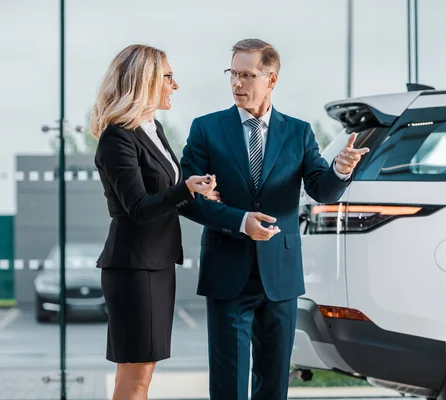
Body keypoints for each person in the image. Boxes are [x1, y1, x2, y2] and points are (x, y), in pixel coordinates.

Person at [181, 38, 369, 400]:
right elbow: (187, 199)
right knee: (228, 385)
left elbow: (321, 190)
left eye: (247, 75)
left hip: (279, 274)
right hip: (227, 269)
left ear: (272, 79)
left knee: (273, 383)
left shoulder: (298, 132)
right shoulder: (205, 129)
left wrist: (341, 171)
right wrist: (240, 221)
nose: (237, 84)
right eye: (233, 73)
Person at [91, 44, 223, 400]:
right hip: (135, 268)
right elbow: (138, 207)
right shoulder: (118, 137)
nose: (174, 85)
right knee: (136, 377)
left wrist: (195, 192)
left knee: (138, 374)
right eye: (167, 77)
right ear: (144, 81)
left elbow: (163, 193)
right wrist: (185, 189)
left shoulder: (152, 128)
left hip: (155, 264)